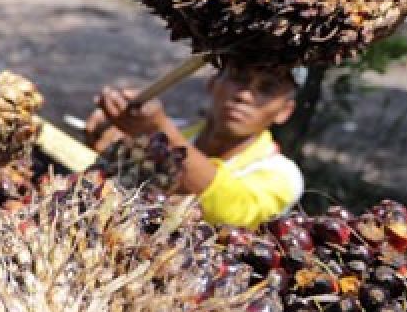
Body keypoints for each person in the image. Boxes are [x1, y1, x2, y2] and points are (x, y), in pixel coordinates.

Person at [85, 63, 305, 229]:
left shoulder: (283, 174)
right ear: (211, 84)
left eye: (266, 89)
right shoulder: (174, 132)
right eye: (239, 78)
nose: (244, 95)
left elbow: (233, 212)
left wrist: (156, 132)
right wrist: (108, 138)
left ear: (285, 111)